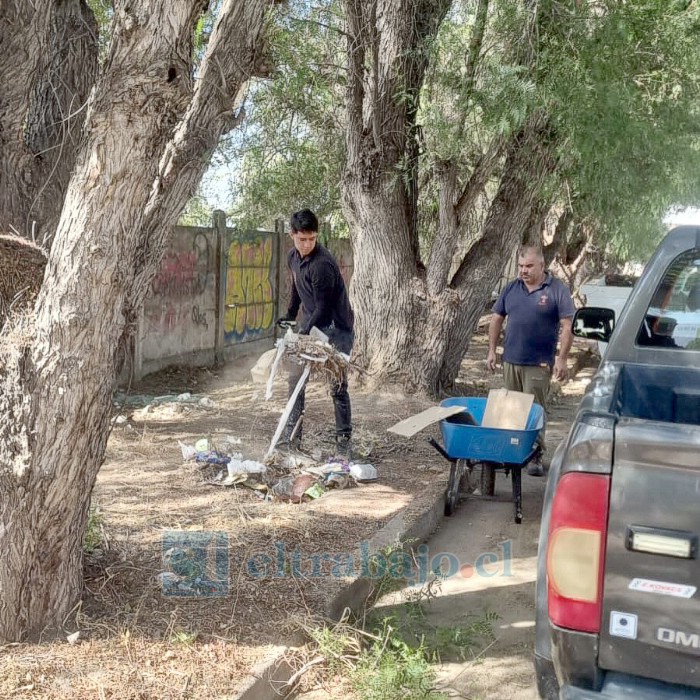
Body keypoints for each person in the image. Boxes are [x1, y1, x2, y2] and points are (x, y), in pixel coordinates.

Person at [486, 246, 575, 476]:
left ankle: (535, 454)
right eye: (521, 266)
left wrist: (562, 359)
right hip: (511, 360)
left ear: (542, 266)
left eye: (529, 266)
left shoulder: (556, 290)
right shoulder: (511, 289)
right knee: (511, 409)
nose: (523, 271)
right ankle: (512, 453)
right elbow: (496, 318)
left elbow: (567, 326)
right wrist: (491, 351)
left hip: (539, 363)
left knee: (535, 410)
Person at [277, 209, 355, 457]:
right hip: (314, 325)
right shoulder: (293, 257)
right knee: (296, 380)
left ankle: (344, 442)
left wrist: (302, 332)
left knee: (338, 386)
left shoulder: (322, 265)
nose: (308, 244)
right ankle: (292, 438)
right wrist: (290, 314)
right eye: (303, 239)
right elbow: (298, 288)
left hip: (337, 330)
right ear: (292, 235)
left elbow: (323, 308)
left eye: (312, 239)